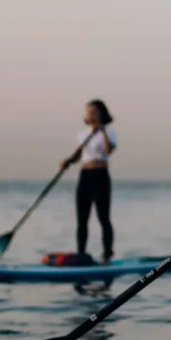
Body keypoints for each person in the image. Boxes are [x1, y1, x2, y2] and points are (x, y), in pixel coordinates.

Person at [63, 99, 117, 262]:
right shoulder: (82, 134)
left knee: (103, 217)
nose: (91, 115)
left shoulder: (109, 131)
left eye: (95, 112)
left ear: (102, 114)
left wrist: (102, 131)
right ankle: (81, 254)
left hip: (101, 175)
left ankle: (107, 254)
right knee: (82, 218)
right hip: (85, 176)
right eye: (89, 112)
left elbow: (108, 150)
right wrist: (68, 161)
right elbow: (79, 154)